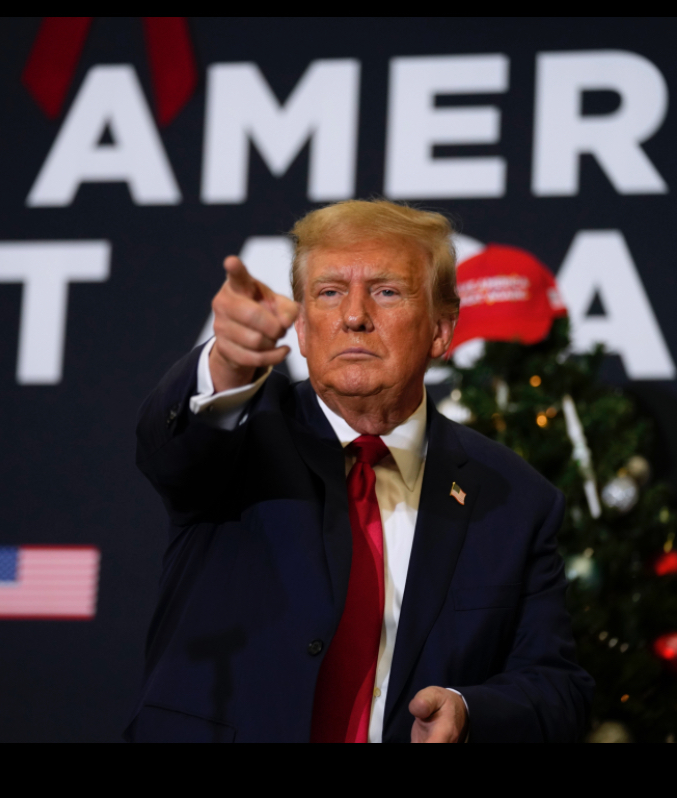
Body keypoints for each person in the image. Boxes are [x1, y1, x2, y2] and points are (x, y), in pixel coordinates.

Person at [129, 200, 593, 742]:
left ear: (441, 330)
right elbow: (170, 451)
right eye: (329, 293)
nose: (354, 316)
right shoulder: (241, 435)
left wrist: (469, 712)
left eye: (386, 291)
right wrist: (228, 363)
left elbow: (558, 689)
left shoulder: (514, 498)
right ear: (303, 329)